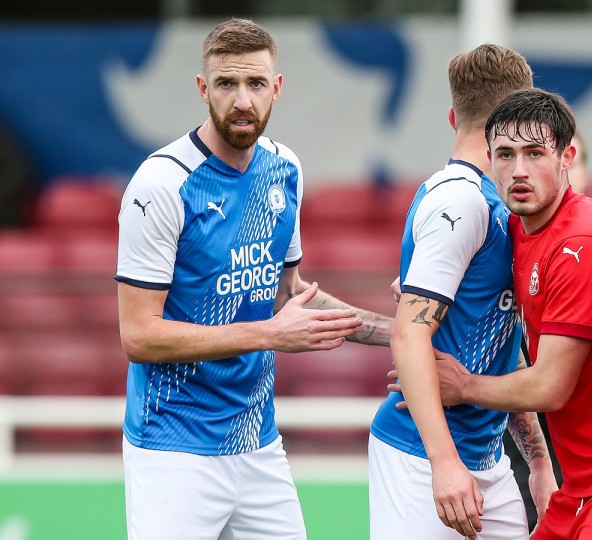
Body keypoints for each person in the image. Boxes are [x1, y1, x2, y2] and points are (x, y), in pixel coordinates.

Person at [115, 18, 392, 540]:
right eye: (227, 83)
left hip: (257, 443)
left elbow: (288, 295)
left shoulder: (284, 169)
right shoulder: (161, 184)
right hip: (173, 447)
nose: (243, 101)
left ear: (276, 88)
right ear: (203, 88)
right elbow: (139, 335)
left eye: (256, 84)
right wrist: (267, 334)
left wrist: (401, 335)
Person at [417, 88, 592, 539]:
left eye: (535, 153)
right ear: (489, 159)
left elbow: (550, 386)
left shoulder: (581, 244)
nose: (519, 169)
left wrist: (463, 385)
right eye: (505, 155)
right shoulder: (518, 227)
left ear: (567, 157)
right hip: (586, 483)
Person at [369, 44, 556, 540]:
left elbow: (502, 337)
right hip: (421, 458)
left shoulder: (500, 202)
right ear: (520, 119)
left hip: (489, 459)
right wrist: (445, 464)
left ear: (453, 116)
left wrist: (538, 460)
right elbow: (409, 336)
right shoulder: (461, 201)